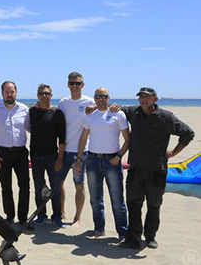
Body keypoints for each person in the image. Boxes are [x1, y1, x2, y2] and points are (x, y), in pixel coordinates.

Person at [119, 87, 194, 250]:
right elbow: (114, 108)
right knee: (133, 204)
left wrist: (174, 152)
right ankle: (133, 237)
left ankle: (150, 236)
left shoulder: (166, 117)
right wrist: (97, 106)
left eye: (147, 97)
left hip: (157, 170)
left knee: (154, 205)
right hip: (136, 169)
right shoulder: (133, 112)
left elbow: (188, 133)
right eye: (141, 97)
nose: (143, 100)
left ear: (155, 99)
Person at [75, 87, 129, 240]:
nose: (100, 99)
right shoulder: (90, 116)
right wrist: (79, 159)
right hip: (92, 160)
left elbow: (127, 139)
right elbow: (83, 139)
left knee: (117, 199)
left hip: (112, 160)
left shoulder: (118, 114)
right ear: (94, 98)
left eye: (103, 96)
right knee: (95, 198)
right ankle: (99, 229)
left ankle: (123, 233)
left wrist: (119, 156)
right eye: (97, 96)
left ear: (108, 98)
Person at [0, 81, 31, 226]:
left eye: (12, 91)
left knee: (24, 186)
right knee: (6, 187)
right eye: (6, 92)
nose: (9, 94)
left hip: (21, 152)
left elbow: (31, 128)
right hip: (2, 153)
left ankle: (23, 219)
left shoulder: (24, 109)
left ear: (16, 92)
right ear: (2, 93)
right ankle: (9, 216)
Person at [58, 72, 95, 226]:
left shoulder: (90, 102)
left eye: (77, 83)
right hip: (64, 151)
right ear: (68, 85)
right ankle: (61, 213)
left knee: (79, 185)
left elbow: (105, 108)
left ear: (83, 85)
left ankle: (77, 217)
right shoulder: (63, 103)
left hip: (81, 152)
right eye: (72, 83)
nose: (74, 86)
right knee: (58, 183)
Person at [29, 84, 65, 227]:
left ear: (51, 95)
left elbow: (62, 138)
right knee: (39, 188)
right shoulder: (32, 112)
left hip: (53, 156)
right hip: (36, 156)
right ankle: (41, 215)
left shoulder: (57, 114)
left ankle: (57, 216)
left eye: (47, 93)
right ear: (38, 95)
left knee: (55, 188)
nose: (44, 96)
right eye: (41, 93)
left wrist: (60, 158)